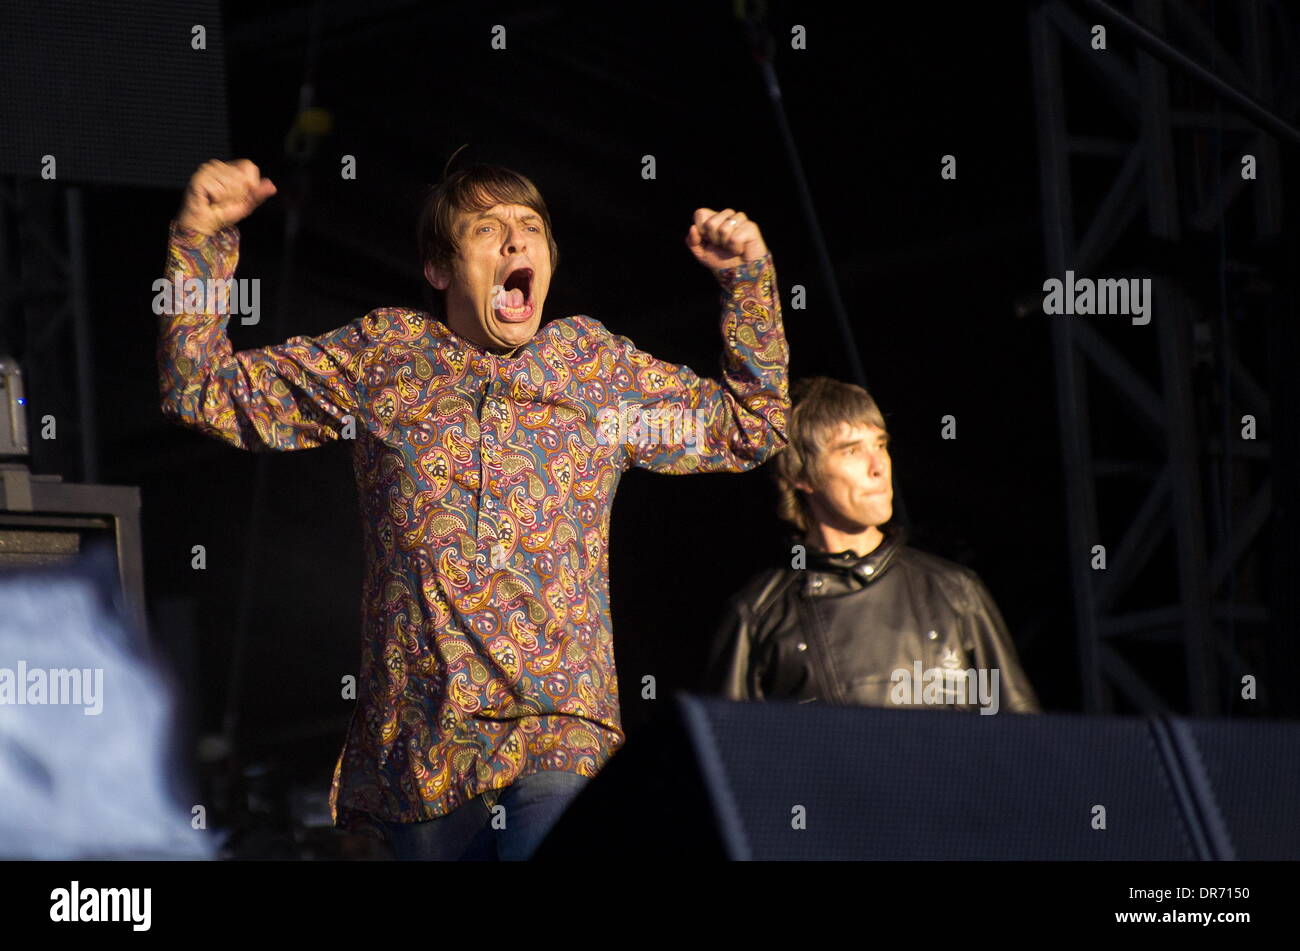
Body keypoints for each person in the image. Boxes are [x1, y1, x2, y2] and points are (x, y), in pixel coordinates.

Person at [157, 157, 789, 859]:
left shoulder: (594, 371)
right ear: (438, 268)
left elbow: (752, 425)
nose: (516, 243)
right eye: (488, 230)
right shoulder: (385, 357)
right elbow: (204, 391)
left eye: (531, 228)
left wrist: (748, 277)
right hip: (419, 762)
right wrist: (200, 237)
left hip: (560, 737)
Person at [705, 376, 1038, 715]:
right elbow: (730, 755)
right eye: (851, 450)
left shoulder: (954, 591)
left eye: (880, 444)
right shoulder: (759, 614)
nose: (879, 466)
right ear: (800, 475)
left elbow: (1022, 741)